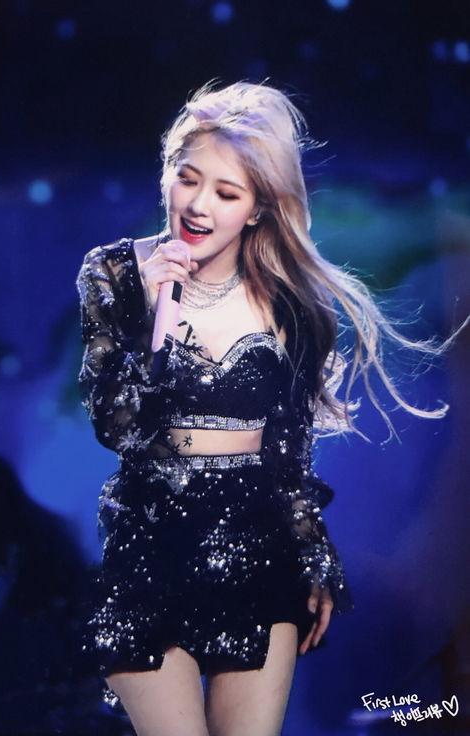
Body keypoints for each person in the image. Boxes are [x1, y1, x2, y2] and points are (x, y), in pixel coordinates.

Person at [76, 80, 467, 736]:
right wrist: (157, 312)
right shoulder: (114, 273)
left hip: (258, 549)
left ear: (258, 207)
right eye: (187, 178)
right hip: (149, 549)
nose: (198, 204)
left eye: (226, 193)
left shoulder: (290, 302)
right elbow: (116, 425)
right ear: (167, 172)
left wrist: (314, 555)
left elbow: (289, 453)